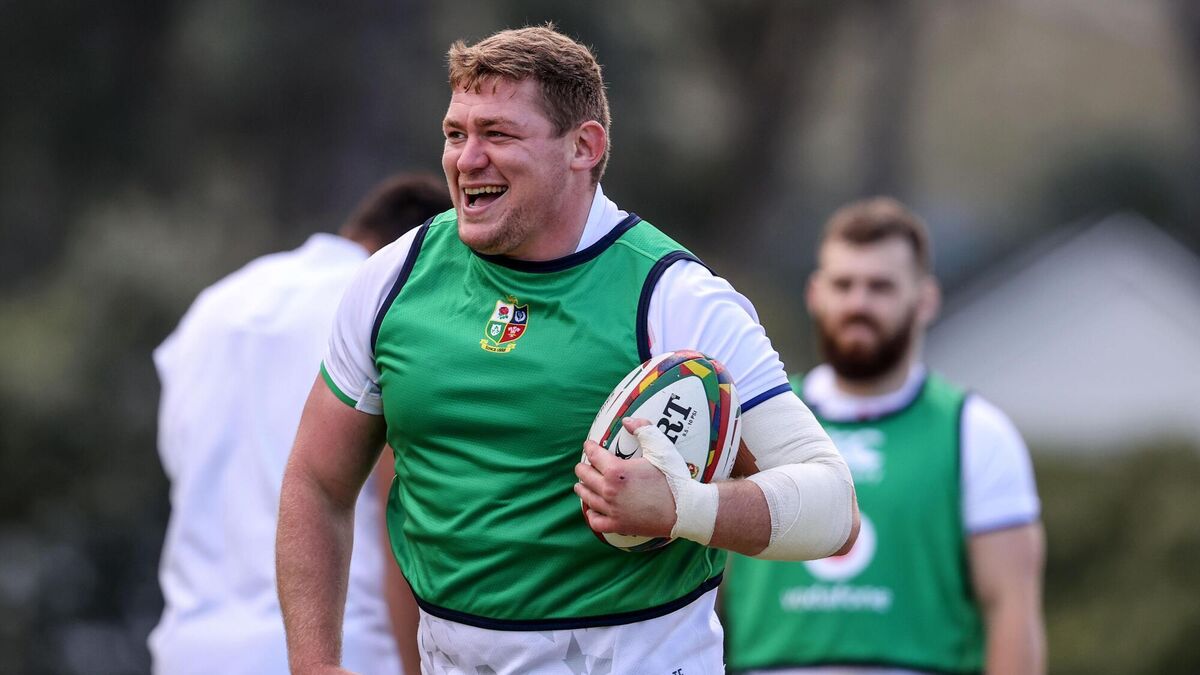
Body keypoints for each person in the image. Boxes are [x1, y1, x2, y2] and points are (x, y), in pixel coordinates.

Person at [276, 25, 860, 675]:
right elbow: (316, 481)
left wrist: (685, 508)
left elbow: (834, 505)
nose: (467, 159)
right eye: (455, 133)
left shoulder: (677, 298)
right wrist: (313, 662)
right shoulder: (393, 278)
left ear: (584, 147)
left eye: (498, 134)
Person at [723, 197, 1046, 675]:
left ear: (926, 300)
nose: (858, 304)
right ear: (815, 294)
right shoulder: (753, 419)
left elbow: (1011, 609)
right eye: (843, 285)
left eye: (880, 287)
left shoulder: (976, 432)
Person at [149, 173, 451, 675]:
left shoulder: (214, 306)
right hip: (342, 649)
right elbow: (405, 514)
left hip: (190, 648)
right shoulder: (390, 310)